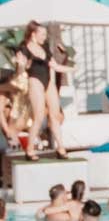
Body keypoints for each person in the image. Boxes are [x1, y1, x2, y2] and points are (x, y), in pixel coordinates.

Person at [20, 21, 70, 157]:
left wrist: (71, 68)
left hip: (48, 81)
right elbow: (21, 67)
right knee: (39, 115)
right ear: (33, 34)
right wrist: (22, 64)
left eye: (45, 34)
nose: (44, 37)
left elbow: (54, 66)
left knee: (55, 115)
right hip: (35, 80)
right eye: (42, 34)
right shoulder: (24, 48)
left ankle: (61, 148)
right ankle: (30, 149)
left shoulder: (45, 46)